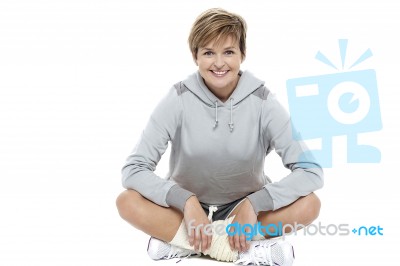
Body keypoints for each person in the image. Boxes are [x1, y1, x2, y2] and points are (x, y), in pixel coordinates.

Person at [116, 8, 323, 266]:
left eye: (228, 52)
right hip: (183, 212)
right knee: (127, 202)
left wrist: (253, 203)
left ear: (242, 54)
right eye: (208, 53)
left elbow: (310, 171)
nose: (219, 63)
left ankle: (183, 243)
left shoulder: (263, 102)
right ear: (196, 56)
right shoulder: (178, 99)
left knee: (310, 205)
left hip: (244, 213)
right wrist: (187, 200)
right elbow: (134, 169)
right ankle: (241, 249)